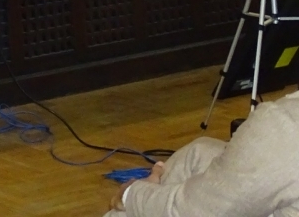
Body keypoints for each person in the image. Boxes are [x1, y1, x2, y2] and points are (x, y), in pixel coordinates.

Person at [102, 89, 299, 215]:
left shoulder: (283, 124)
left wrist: (131, 193)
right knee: (200, 152)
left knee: (139, 208)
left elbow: (195, 212)